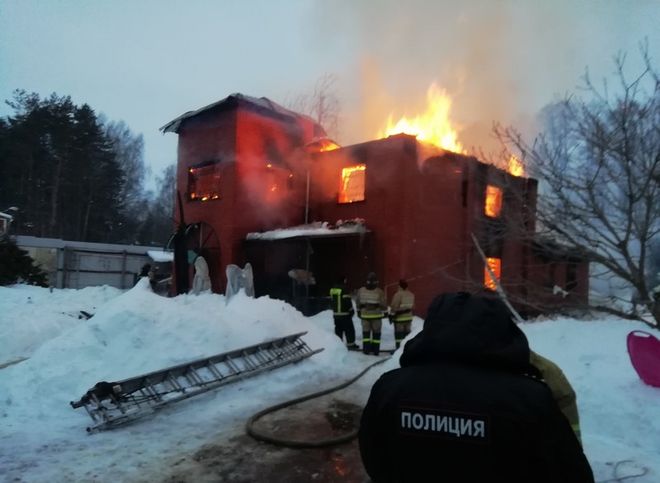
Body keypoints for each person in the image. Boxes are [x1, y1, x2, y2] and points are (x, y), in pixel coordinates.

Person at [358, 292, 594, 483]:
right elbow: (569, 472)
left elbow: (374, 457)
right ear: (502, 330)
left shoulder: (390, 388)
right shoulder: (530, 399)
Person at [356, 272, 387, 355]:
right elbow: (384, 304)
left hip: (365, 315)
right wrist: (386, 312)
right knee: (376, 335)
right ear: (376, 282)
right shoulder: (379, 291)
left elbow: (358, 302)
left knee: (366, 334)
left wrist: (358, 311)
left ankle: (366, 350)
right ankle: (375, 351)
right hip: (376, 316)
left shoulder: (361, 290)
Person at [329, 276, 358, 350]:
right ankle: (351, 345)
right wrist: (351, 310)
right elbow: (347, 301)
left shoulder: (333, 289)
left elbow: (332, 301)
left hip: (336, 314)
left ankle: (339, 345)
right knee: (349, 330)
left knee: (338, 330)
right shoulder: (344, 289)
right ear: (343, 281)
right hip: (345, 314)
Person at [389, 279, 415, 349]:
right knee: (407, 335)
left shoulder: (398, 294)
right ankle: (407, 349)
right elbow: (413, 306)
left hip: (399, 319)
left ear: (399, 286)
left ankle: (398, 350)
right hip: (409, 318)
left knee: (399, 336)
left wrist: (391, 315)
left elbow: (394, 306)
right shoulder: (411, 294)